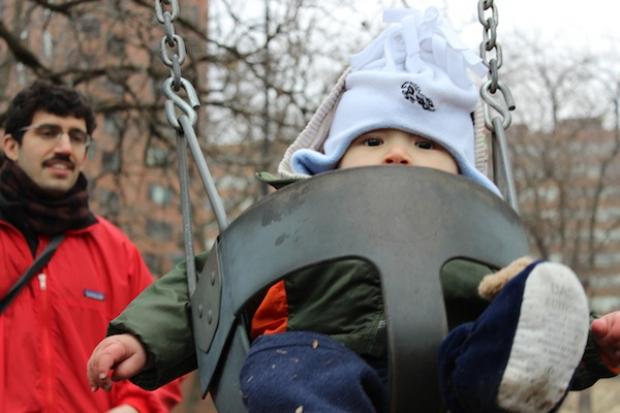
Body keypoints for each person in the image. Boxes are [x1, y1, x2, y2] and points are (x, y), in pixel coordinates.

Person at [87, 7, 620, 413]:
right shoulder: (293, 226)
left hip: (445, 372)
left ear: (463, 172)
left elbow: (524, 327)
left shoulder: (472, 244)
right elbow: (205, 284)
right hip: (318, 359)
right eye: (370, 139)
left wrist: (592, 343)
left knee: (501, 327)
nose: (397, 152)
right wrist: (140, 336)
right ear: (332, 161)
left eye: (425, 144)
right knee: (286, 368)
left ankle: (506, 383)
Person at [0, 81, 182, 412]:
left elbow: (162, 344)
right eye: (48, 132)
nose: (65, 148)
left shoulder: (118, 254)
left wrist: (135, 408)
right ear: (11, 145)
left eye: (77, 137)